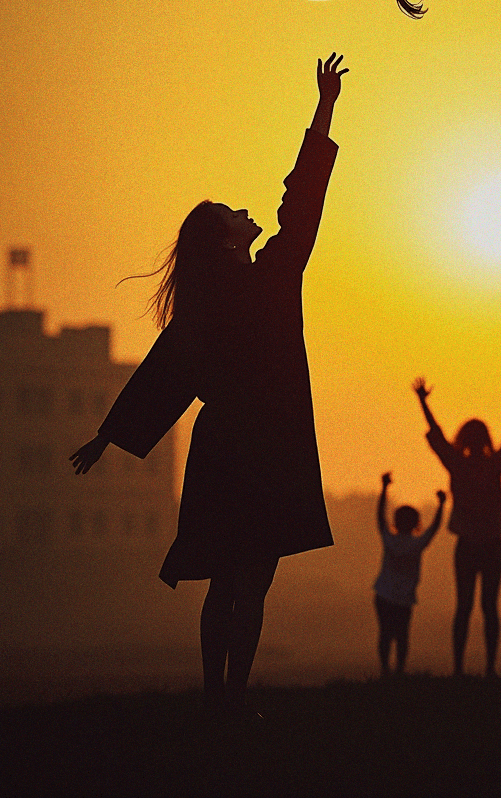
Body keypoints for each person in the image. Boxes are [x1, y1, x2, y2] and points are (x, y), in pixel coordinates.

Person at [70, 53, 348, 716]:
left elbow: (166, 372)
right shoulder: (273, 273)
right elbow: (305, 201)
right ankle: (230, 701)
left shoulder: (218, 296)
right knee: (249, 583)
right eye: (231, 210)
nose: (245, 208)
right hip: (265, 448)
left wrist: (110, 435)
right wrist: (326, 106)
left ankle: (216, 701)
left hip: (226, 445)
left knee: (227, 581)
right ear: (224, 238)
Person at [413, 377, 501, 677]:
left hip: (469, 544)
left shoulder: (458, 464)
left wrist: (424, 401)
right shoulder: (493, 464)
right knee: (488, 606)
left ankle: (461, 668)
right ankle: (488, 668)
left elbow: (437, 439)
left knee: (465, 606)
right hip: (489, 543)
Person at [373, 473, 446, 676]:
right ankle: (399, 670)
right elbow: (434, 528)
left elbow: (380, 517)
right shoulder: (417, 544)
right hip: (404, 599)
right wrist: (441, 505)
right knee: (402, 635)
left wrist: (384, 489)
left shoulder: (389, 540)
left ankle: (385, 670)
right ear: (416, 523)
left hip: (384, 594)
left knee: (385, 634)